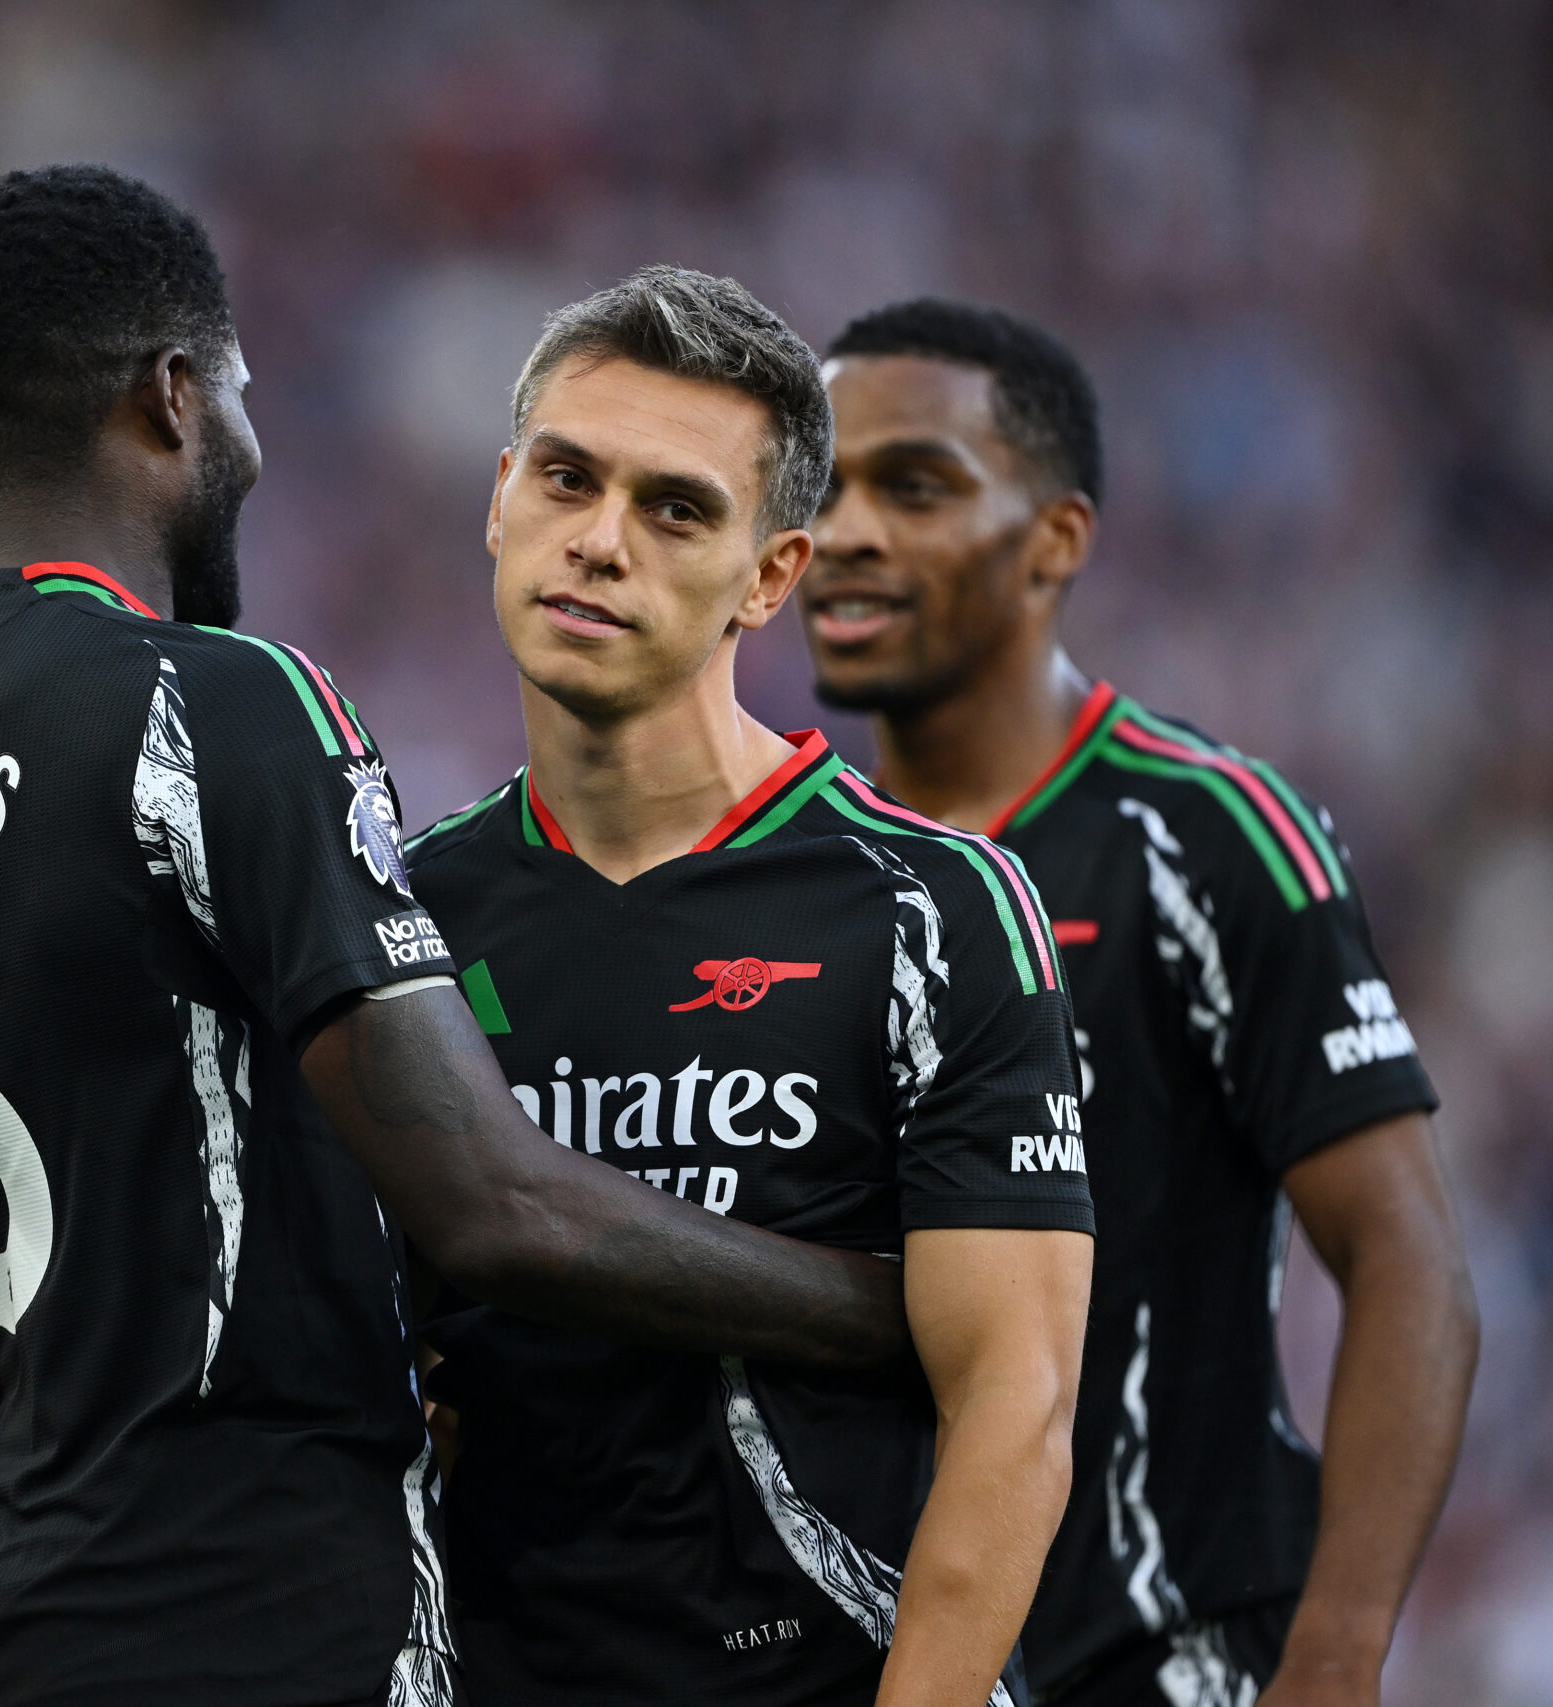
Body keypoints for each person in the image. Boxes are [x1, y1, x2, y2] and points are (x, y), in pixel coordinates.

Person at [0, 166, 915, 1707]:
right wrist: (899, 1310)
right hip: (262, 1628)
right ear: (172, 399)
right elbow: (493, 1204)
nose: (255, 441)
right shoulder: (217, 701)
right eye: (237, 392)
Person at [402, 267, 1094, 1707]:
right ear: (499, 499)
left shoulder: (937, 909)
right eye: (566, 478)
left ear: (772, 577)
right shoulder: (393, 918)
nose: (599, 543)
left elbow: (1014, 1407)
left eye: (676, 509)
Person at [797, 298, 1478, 1707]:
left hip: (1173, 1658)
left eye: (914, 485)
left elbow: (1408, 1258)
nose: (847, 531)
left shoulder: (1210, 837)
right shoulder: (774, 872)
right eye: (824, 485)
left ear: (1056, 540)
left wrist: (1338, 1654)